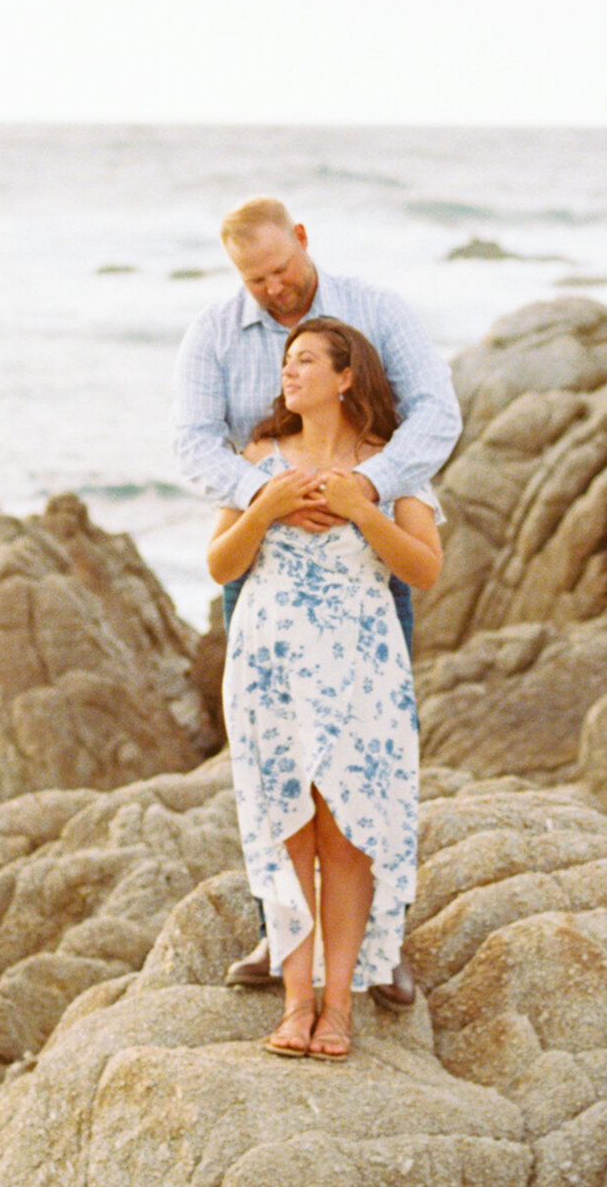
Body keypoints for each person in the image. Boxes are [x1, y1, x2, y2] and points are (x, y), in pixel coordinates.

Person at [174, 195, 460, 1002]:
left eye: (282, 270)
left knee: (369, 767)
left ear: (304, 241)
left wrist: (366, 488)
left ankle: (381, 946)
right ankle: (283, 941)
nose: (273, 288)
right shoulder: (216, 336)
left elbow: (437, 412)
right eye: (255, 280)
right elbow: (193, 441)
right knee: (278, 769)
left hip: (362, 575)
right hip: (266, 576)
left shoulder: (375, 313)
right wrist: (266, 492)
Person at [207, 317, 442, 1061]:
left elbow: (424, 569)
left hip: (359, 664)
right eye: (286, 360)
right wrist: (267, 507)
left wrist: (362, 509)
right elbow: (220, 565)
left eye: (306, 359)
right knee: (288, 824)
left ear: (346, 378)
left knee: (345, 835)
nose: (290, 371)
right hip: (268, 663)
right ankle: (296, 1001)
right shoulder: (258, 460)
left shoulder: (389, 463)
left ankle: (339, 1008)